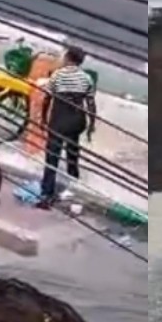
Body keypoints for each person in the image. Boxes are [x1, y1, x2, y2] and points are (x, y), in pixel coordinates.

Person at [36, 46, 96, 210]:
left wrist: (43, 119)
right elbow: (90, 103)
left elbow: (47, 98)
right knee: (72, 153)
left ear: (69, 58)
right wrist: (91, 125)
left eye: (64, 57)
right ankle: (71, 187)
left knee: (52, 158)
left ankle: (47, 192)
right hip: (77, 121)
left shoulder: (58, 75)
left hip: (59, 120)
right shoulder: (87, 78)